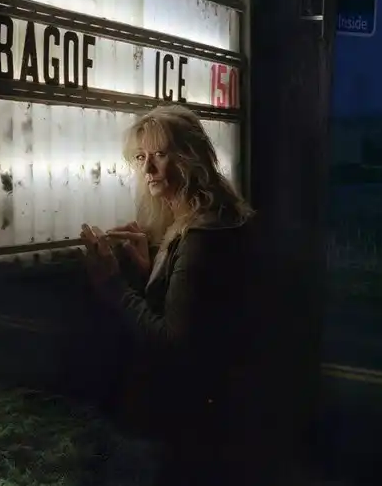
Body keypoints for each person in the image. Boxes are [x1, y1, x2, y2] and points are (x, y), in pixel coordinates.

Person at [79, 104, 266, 486]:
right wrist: (153, 272)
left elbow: (174, 343)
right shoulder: (218, 219)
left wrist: (113, 284)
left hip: (182, 421)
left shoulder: (201, 236)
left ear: (190, 158)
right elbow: (204, 308)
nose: (148, 168)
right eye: (140, 157)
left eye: (160, 155)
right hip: (215, 415)